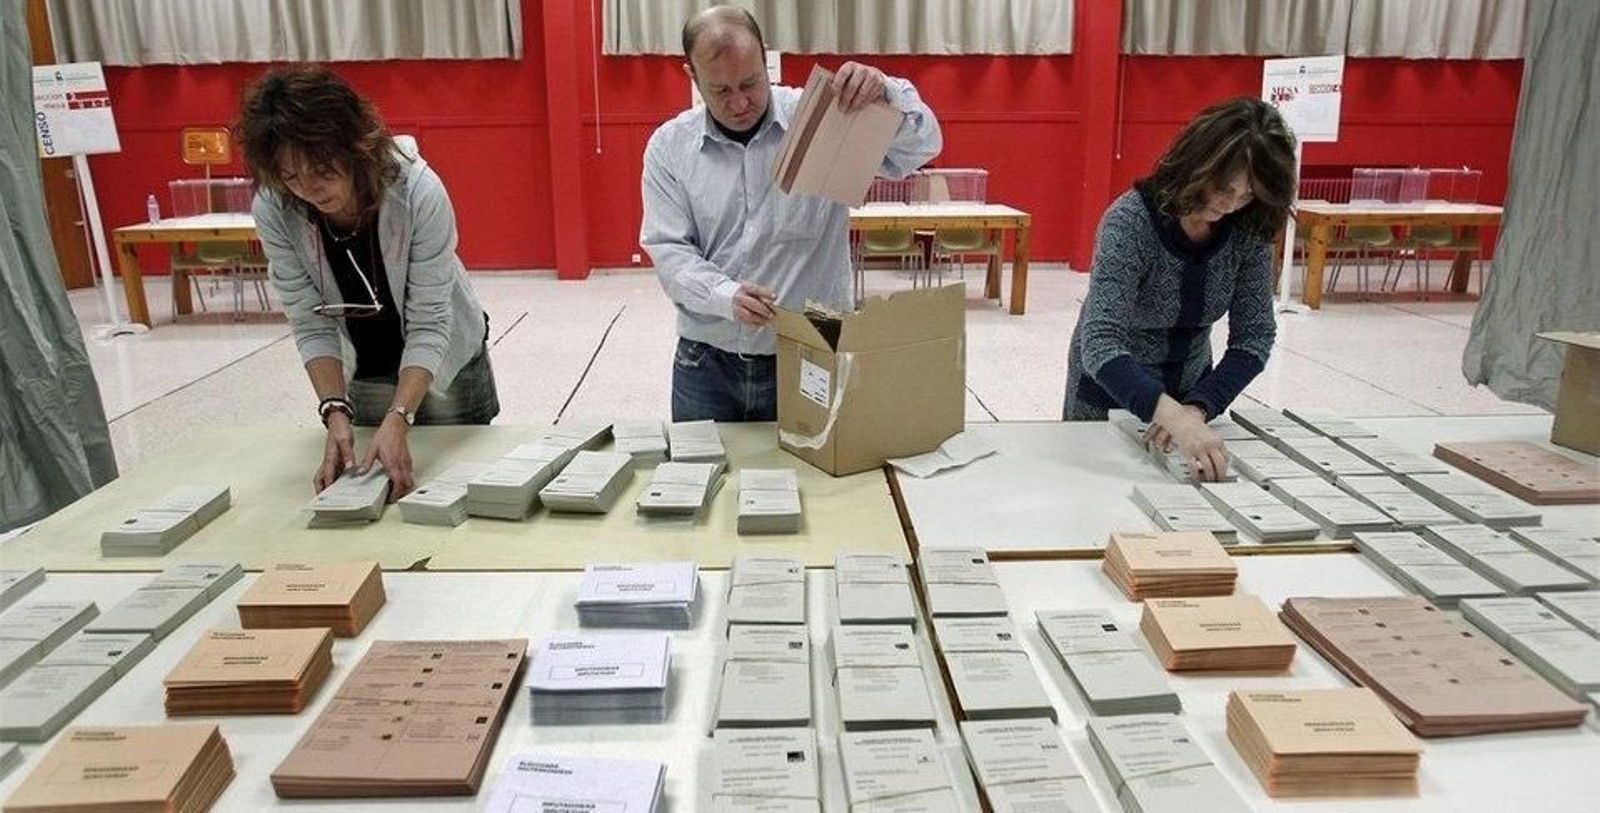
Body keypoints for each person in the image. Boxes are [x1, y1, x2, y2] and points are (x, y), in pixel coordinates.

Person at [641, 5, 942, 422]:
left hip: (812, 342)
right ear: (691, 75)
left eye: (750, 82)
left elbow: (921, 148)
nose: (740, 102)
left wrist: (887, 92)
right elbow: (669, 249)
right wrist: (726, 296)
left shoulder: (823, 115)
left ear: (766, 60)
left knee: (817, 483)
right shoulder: (670, 147)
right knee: (704, 478)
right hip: (707, 358)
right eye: (721, 90)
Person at [239, 66, 499, 498]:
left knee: (460, 486)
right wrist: (334, 408)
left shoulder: (417, 191)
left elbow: (431, 320)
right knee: (380, 491)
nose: (308, 188)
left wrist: (400, 414)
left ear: (355, 145)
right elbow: (309, 320)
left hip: (448, 362)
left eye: (321, 169)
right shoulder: (275, 207)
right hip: (364, 367)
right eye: (290, 175)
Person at [1062, 97, 1296, 482]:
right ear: (1195, 164)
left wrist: (1196, 409)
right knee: (1097, 501)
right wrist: (1168, 413)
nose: (1231, 204)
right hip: (1110, 391)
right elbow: (1102, 342)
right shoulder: (1131, 221)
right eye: (1223, 187)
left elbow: (1254, 337)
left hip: (1192, 394)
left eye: (1248, 195)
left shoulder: (1248, 229)